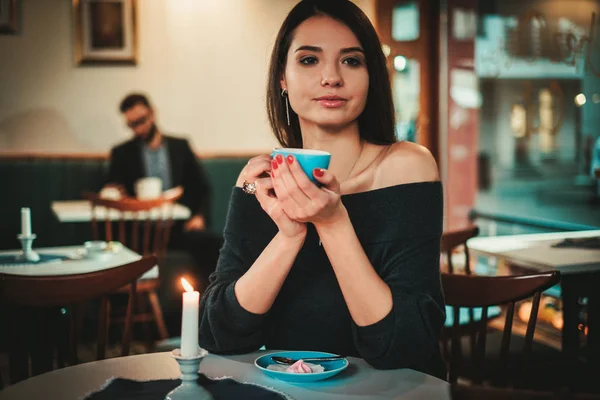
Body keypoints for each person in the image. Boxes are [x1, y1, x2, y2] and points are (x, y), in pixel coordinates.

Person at [198, 0, 445, 379]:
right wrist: (289, 236)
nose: (331, 77)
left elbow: (403, 348)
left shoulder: (407, 166)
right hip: (290, 389)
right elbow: (219, 334)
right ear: (282, 76)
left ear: (371, 76)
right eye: (309, 60)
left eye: (351, 61)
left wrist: (332, 224)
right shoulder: (260, 182)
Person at [105, 93, 222, 322]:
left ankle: (209, 311)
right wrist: (114, 190)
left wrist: (198, 216)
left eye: (141, 121)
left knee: (215, 245)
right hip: (140, 232)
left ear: (152, 113)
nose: (137, 129)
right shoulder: (122, 153)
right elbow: (111, 187)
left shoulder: (179, 146)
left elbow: (202, 186)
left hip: (177, 228)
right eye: (131, 125)